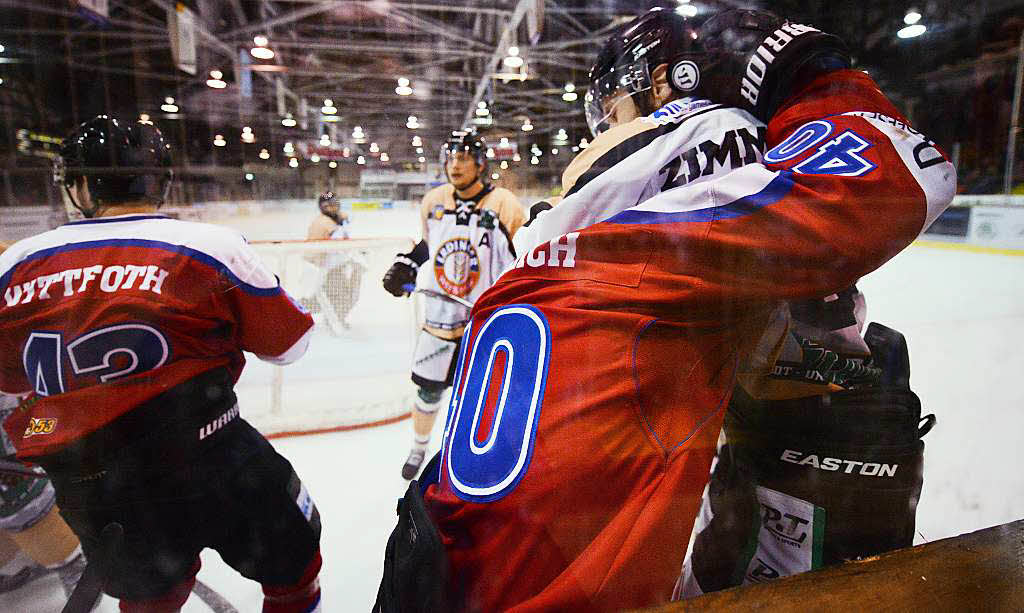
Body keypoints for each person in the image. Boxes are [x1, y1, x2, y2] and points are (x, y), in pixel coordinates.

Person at [375, 8, 955, 612]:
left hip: (442, 559)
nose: (604, 132)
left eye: (614, 113)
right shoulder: (672, 222)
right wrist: (803, 68)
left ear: (662, 86)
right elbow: (906, 169)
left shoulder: (560, 249)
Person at [0, 116, 323, 612]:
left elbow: (12, 379)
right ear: (160, 181)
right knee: (295, 566)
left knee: (148, 599)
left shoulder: (14, 263)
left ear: (80, 184)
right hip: (215, 457)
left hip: (95, 482)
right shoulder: (210, 247)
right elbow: (288, 347)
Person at [382, 130, 524, 480]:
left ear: (480, 164)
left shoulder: (504, 204)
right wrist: (407, 263)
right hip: (440, 316)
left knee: (480, 396)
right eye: (451, 158)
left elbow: (524, 251)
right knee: (428, 390)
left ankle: (474, 454)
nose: (455, 165)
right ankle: (418, 447)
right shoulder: (434, 201)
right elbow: (430, 244)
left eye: (463, 158)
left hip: (485, 321)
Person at [304, 192, 365, 333]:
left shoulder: (330, 220)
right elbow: (340, 239)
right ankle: (333, 320)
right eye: (328, 206)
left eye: (334, 205)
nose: (332, 208)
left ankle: (334, 318)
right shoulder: (324, 222)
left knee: (330, 298)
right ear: (322, 207)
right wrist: (343, 224)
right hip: (318, 269)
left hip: (328, 267)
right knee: (327, 298)